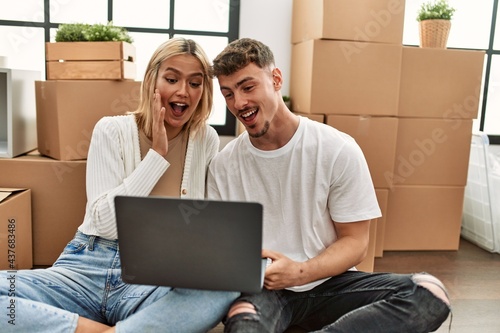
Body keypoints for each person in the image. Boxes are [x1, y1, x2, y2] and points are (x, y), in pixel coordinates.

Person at [207, 38, 451, 333]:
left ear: (275, 79)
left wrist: (299, 272)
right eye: (228, 93)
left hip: (331, 285)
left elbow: (356, 242)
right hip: (265, 290)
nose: (239, 103)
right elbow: (225, 248)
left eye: (248, 87)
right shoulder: (223, 166)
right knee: (243, 323)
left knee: (428, 292)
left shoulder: (337, 149)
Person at [0, 37, 238, 333]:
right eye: (172, 79)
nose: (182, 91)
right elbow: (106, 222)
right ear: (152, 81)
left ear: (204, 91)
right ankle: (104, 330)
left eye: (195, 82)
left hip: (153, 278)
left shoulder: (206, 140)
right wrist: (156, 157)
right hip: (87, 267)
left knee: (226, 287)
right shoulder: (110, 130)